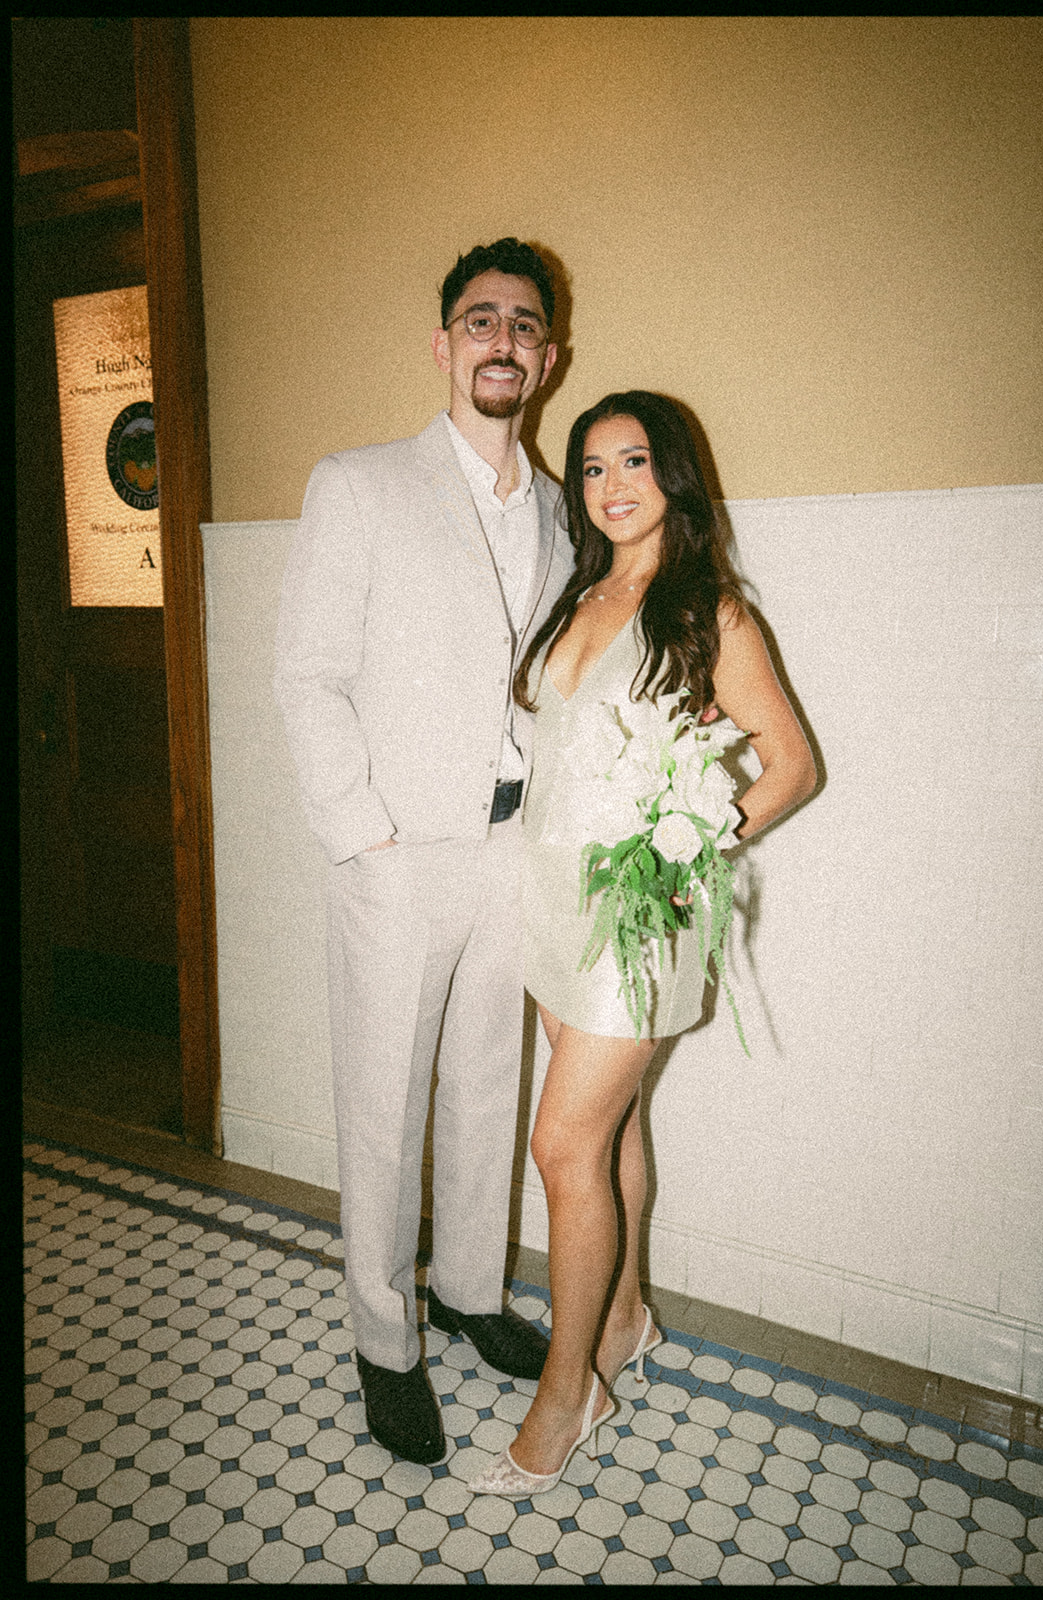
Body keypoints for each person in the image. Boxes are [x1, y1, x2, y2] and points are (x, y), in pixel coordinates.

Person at [469, 390, 817, 1496]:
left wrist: (694, 841)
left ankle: (566, 1393)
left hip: (638, 915)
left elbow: (790, 764)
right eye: (590, 467)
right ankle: (622, 1319)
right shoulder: (581, 594)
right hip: (549, 898)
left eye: (632, 462)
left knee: (559, 1147)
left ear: (672, 473)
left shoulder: (709, 611)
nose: (609, 485)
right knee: (607, 1128)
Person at [273, 239, 574, 1465]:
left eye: (524, 324)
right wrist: (365, 835)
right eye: (480, 319)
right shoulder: (358, 484)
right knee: (384, 1105)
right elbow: (306, 676)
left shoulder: (559, 510)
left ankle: (467, 1292)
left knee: (488, 1084)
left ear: (548, 358)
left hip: (511, 845)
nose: (502, 339)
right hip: (397, 853)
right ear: (443, 345)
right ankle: (383, 1338)